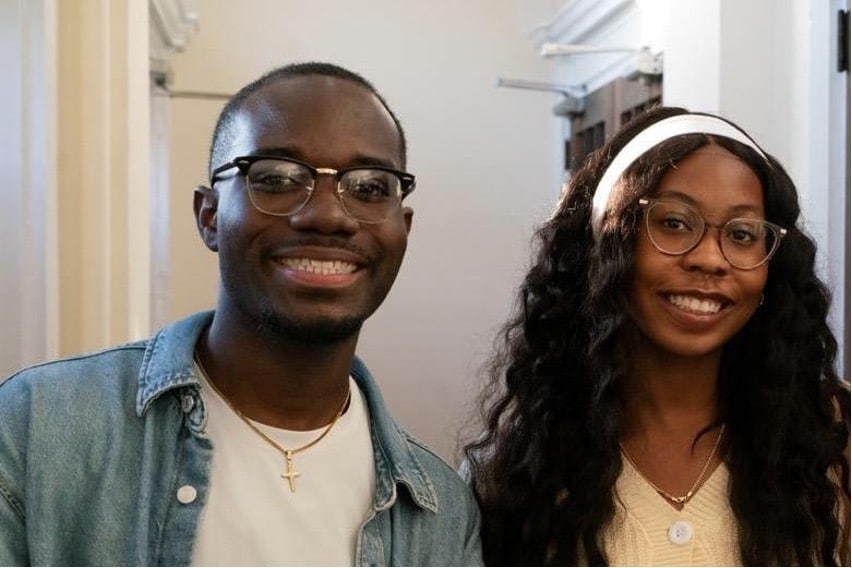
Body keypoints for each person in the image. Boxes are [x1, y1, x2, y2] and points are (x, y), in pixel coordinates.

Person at [0, 62, 482, 566]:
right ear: (209, 216)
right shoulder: (39, 428)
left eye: (369, 187)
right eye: (276, 178)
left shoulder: (442, 514)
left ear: (402, 228)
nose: (326, 215)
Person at [464, 106, 850, 566]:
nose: (711, 259)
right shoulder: (518, 466)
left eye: (743, 233)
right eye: (673, 223)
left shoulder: (833, 438)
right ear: (607, 247)